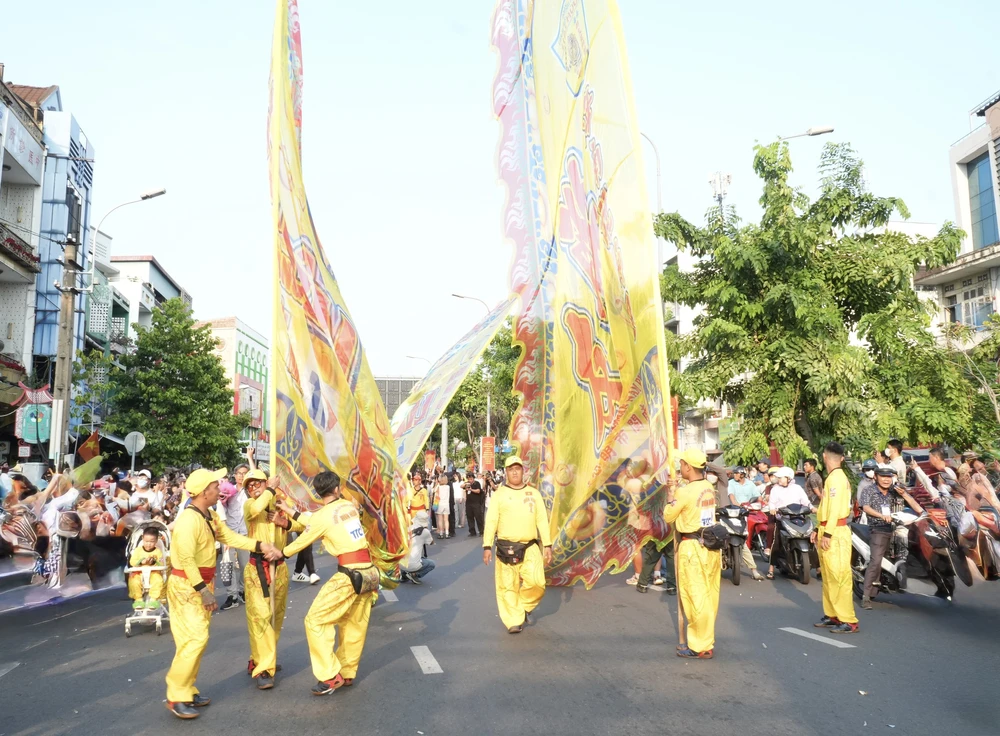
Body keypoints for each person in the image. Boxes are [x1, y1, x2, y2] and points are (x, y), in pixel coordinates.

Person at [164, 468, 278, 720]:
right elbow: (185, 559)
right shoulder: (188, 521)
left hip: (200, 585)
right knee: (194, 640)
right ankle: (177, 695)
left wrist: (259, 545)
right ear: (205, 492)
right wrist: (203, 591)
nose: (221, 490)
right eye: (216, 487)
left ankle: (187, 689)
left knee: (197, 639)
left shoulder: (211, 515)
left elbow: (230, 537)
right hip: (187, 587)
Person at [272, 470, 378, 696]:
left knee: (316, 620)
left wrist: (281, 552)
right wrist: (290, 512)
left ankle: (330, 675)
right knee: (354, 624)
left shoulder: (322, 516)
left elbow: (309, 533)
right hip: (369, 572)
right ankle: (347, 672)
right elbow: (316, 522)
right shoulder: (349, 506)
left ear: (317, 492)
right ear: (337, 489)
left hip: (348, 575)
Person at [240, 470, 304, 690]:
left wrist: (283, 522)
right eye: (250, 486)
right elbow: (257, 508)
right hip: (257, 569)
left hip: (280, 567)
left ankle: (262, 658)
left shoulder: (280, 502)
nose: (254, 488)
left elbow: (302, 525)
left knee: (276, 615)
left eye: (258, 483)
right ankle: (265, 668)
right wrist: (269, 489)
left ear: (266, 482)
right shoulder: (250, 504)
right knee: (260, 617)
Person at [482, 456, 552, 634]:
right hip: (506, 547)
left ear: (523, 471)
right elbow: (491, 521)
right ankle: (514, 620)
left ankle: (524, 605)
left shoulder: (533, 493)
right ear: (506, 472)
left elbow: (542, 520)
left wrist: (548, 545)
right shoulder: (499, 495)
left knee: (538, 583)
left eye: (517, 468)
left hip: (530, 546)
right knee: (508, 587)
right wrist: (487, 546)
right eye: (510, 469)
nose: (514, 471)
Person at [665, 449, 721, 659]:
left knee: (695, 598)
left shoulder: (685, 492)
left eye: (681, 464)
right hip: (709, 545)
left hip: (692, 547)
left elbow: (670, 516)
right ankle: (705, 640)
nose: (680, 468)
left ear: (688, 466)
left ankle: (699, 645)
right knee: (709, 596)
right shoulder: (707, 487)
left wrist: (671, 496)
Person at [858, 465, 923, 610]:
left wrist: (905, 494)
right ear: (876, 477)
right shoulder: (869, 490)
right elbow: (865, 507)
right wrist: (881, 516)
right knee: (875, 561)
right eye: (883, 476)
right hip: (878, 529)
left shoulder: (896, 490)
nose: (887, 480)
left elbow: (917, 508)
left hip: (899, 529)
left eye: (889, 477)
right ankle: (866, 596)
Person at [813, 442, 858, 634]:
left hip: (836, 532)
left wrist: (828, 533)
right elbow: (826, 508)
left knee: (840, 576)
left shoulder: (837, 479)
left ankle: (848, 619)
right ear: (840, 458)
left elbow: (834, 510)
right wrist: (818, 529)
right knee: (829, 576)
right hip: (827, 529)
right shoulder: (832, 478)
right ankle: (833, 615)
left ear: (824, 457)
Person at [765, 467, 815, 579]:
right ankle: (771, 568)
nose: (779, 480)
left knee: (811, 538)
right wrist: (772, 509)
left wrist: (812, 508)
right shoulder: (775, 489)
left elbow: (805, 501)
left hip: (798, 518)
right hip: (782, 519)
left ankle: (818, 567)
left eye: (781, 478)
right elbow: (771, 503)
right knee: (776, 542)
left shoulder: (797, 488)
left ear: (788, 478)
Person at [218, 465, 251, 611]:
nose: (241, 476)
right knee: (228, 564)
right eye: (238, 473)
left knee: (246, 565)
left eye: (244, 473)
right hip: (229, 532)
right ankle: (232, 596)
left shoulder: (250, 493)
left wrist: (250, 458)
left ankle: (243, 591)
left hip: (245, 532)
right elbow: (221, 510)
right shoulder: (227, 490)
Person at [128, 527, 165, 610]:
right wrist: (142, 562)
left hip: (153, 572)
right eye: (146, 541)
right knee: (134, 581)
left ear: (156, 541)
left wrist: (153, 562)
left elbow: (161, 563)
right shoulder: (138, 550)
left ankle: (153, 600)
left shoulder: (157, 551)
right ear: (142, 539)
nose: (148, 544)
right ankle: (138, 600)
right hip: (139, 572)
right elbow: (132, 562)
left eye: (152, 542)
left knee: (158, 580)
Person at [401, 510, 436, 584]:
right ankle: (413, 574)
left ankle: (404, 573)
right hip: (413, 564)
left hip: (401, 563)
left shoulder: (408, 528)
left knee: (412, 557)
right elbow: (431, 542)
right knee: (431, 564)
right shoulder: (425, 532)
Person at [434, 474, 451, 539]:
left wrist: (437, 484)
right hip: (446, 504)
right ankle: (447, 533)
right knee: (446, 520)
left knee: (440, 520)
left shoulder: (438, 487)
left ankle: (441, 533)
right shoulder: (448, 487)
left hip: (440, 504)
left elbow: (434, 491)